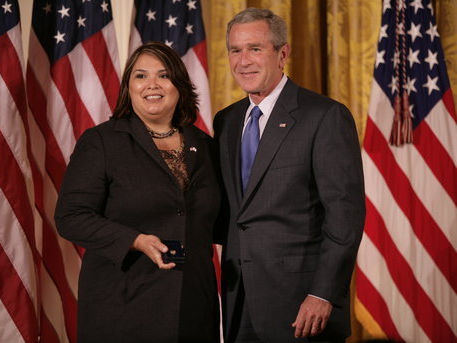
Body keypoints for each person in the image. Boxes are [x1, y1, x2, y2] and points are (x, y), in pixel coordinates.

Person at [213, 8, 366, 343]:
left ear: (282, 54)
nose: (244, 61)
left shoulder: (324, 116)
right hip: (238, 303)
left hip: (302, 306)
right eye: (236, 50)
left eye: (255, 48)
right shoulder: (226, 121)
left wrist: (323, 294)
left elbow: (345, 217)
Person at [55, 42, 223, 343]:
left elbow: (220, 223)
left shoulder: (206, 145)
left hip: (193, 308)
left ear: (179, 86)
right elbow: (70, 216)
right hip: (123, 305)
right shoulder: (102, 142)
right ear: (128, 87)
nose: (152, 85)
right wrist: (135, 240)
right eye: (141, 76)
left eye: (163, 75)